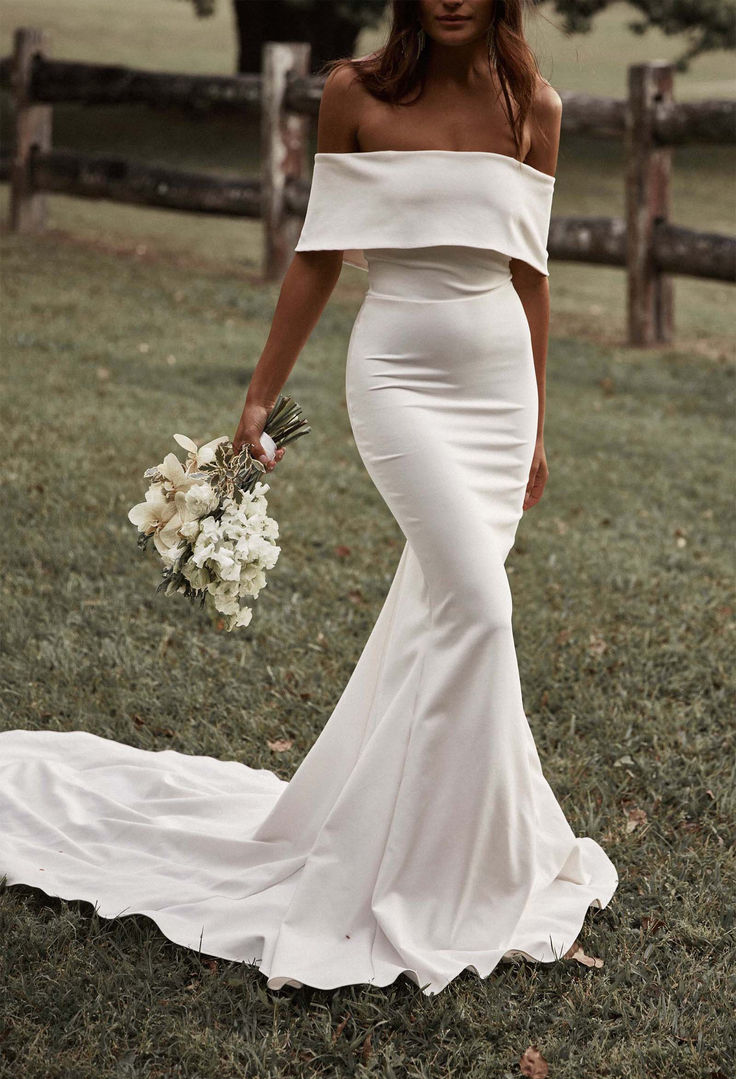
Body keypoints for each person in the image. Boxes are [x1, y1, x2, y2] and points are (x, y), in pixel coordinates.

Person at [0, 0, 618, 997]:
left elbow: (530, 276)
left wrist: (538, 423)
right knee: (478, 606)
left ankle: (438, 844)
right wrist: (257, 393)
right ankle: (438, 873)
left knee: (438, 617)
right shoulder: (354, 94)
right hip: (398, 380)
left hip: (499, 396)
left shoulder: (531, 106)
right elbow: (320, 255)